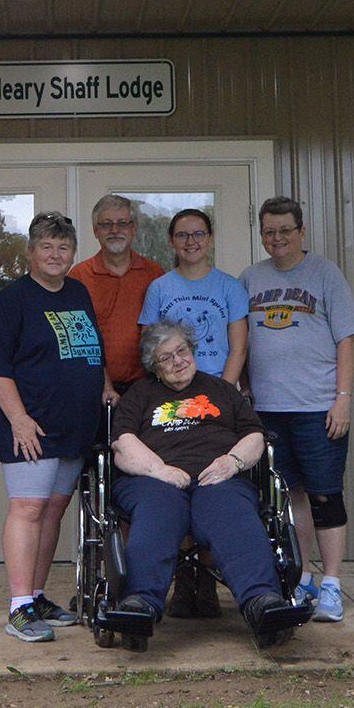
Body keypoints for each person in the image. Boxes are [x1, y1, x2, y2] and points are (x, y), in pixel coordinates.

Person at [109, 321, 291, 651]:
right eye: (166, 357)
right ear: (154, 366)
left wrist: (232, 462)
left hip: (218, 478)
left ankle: (262, 602)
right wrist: (159, 469)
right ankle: (141, 604)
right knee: (157, 510)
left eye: (182, 351)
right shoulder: (141, 394)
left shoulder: (221, 390)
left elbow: (254, 435)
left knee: (232, 510)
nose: (178, 360)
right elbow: (122, 442)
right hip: (153, 481)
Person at [0, 211, 107, 643]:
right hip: (31, 426)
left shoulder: (79, 292)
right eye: (46, 246)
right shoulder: (15, 299)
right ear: (30, 253)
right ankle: (18, 608)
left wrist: (105, 389)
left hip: (74, 426)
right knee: (28, 509)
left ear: (72, 253)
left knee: (53, 510)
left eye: (63, 247)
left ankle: (36, 593)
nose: (55, 254)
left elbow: (91, 351)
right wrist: (19, 419)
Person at [238, 196, 354, 623]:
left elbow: (347, 340)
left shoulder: (326, 274)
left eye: (285, 231)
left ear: (301, 232)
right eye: (269, 232)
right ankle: (304, 576)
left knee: (326, 494)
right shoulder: (250, 278)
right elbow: (244, 341)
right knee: (290, 497)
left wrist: (342, 400)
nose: (277, 239)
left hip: (318, 407)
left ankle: (332, 584)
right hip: (269, 409)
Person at [136, 206, 248, 617]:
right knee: (178, 480)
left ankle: (209, 578)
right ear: (171, 241)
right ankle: (186, 581)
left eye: (198, 233)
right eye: (182, 235)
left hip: (215, 392)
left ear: (210, 238)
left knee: (215, 482)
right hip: (171, 395)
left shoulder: (230, 287)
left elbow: (238, 346)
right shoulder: (160, 287)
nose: (191, 242)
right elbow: (150, 347)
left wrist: (226, 390)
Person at [69, 194, 164, 404]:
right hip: (91, 387)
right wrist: (105, 384)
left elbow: (163, 333)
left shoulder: (155, 274)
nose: (115, 230)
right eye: (106, 224)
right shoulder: (79, 277)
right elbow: (77, 340)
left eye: (123, 223)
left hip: (146, 387)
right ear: (95, 231)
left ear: (134, 228)